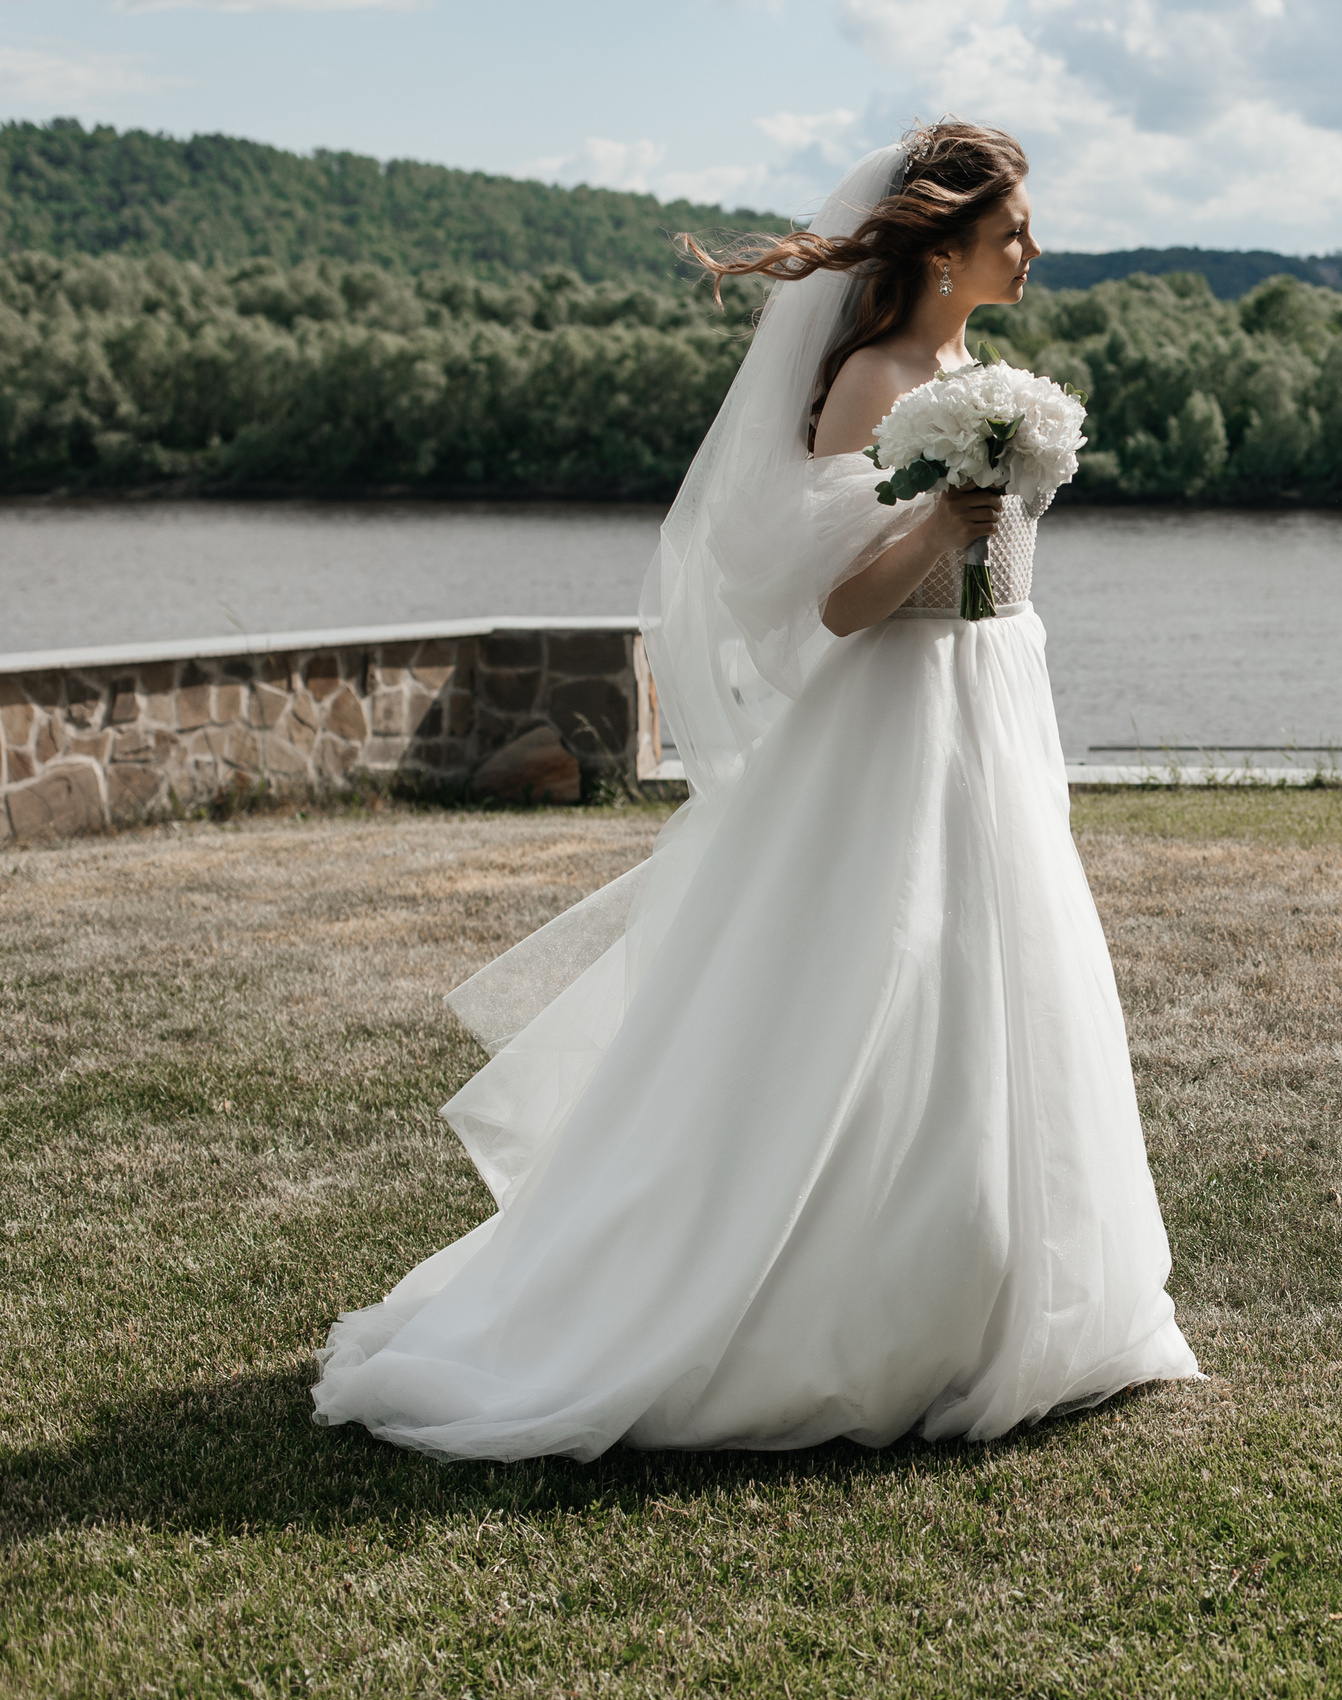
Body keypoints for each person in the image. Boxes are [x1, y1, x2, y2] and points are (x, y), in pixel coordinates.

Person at [310, 122, 1200, 1461]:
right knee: (876, 987)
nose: (1033, 248)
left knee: (1006, 980)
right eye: (1011, 230)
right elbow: (837, 605)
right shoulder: (872, 383)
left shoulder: (978, 377)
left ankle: (1006, 1290)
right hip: (902, 717)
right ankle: (830, 1297)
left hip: (998, 703)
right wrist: (936, 523)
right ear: (943, 247)